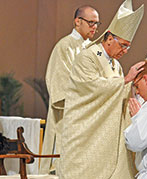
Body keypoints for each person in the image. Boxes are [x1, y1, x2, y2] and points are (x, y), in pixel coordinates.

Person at [59, 0, 144, 178]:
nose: (125, 50)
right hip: (85, 133)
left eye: (128, 46)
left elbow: (118, 92)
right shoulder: (88, 57)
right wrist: (126, 80)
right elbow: (90, 88)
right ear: (110, 38)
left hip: (106, 134)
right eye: (123, 45)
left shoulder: (116, 65)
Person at [40, 5, 100, 174]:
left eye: (97, 23)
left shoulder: (93, 49)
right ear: (77, 22)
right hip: (68, 115)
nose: (94, 27)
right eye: (91, 23)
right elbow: (59, 82)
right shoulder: (65, 46)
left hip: (87, 116)